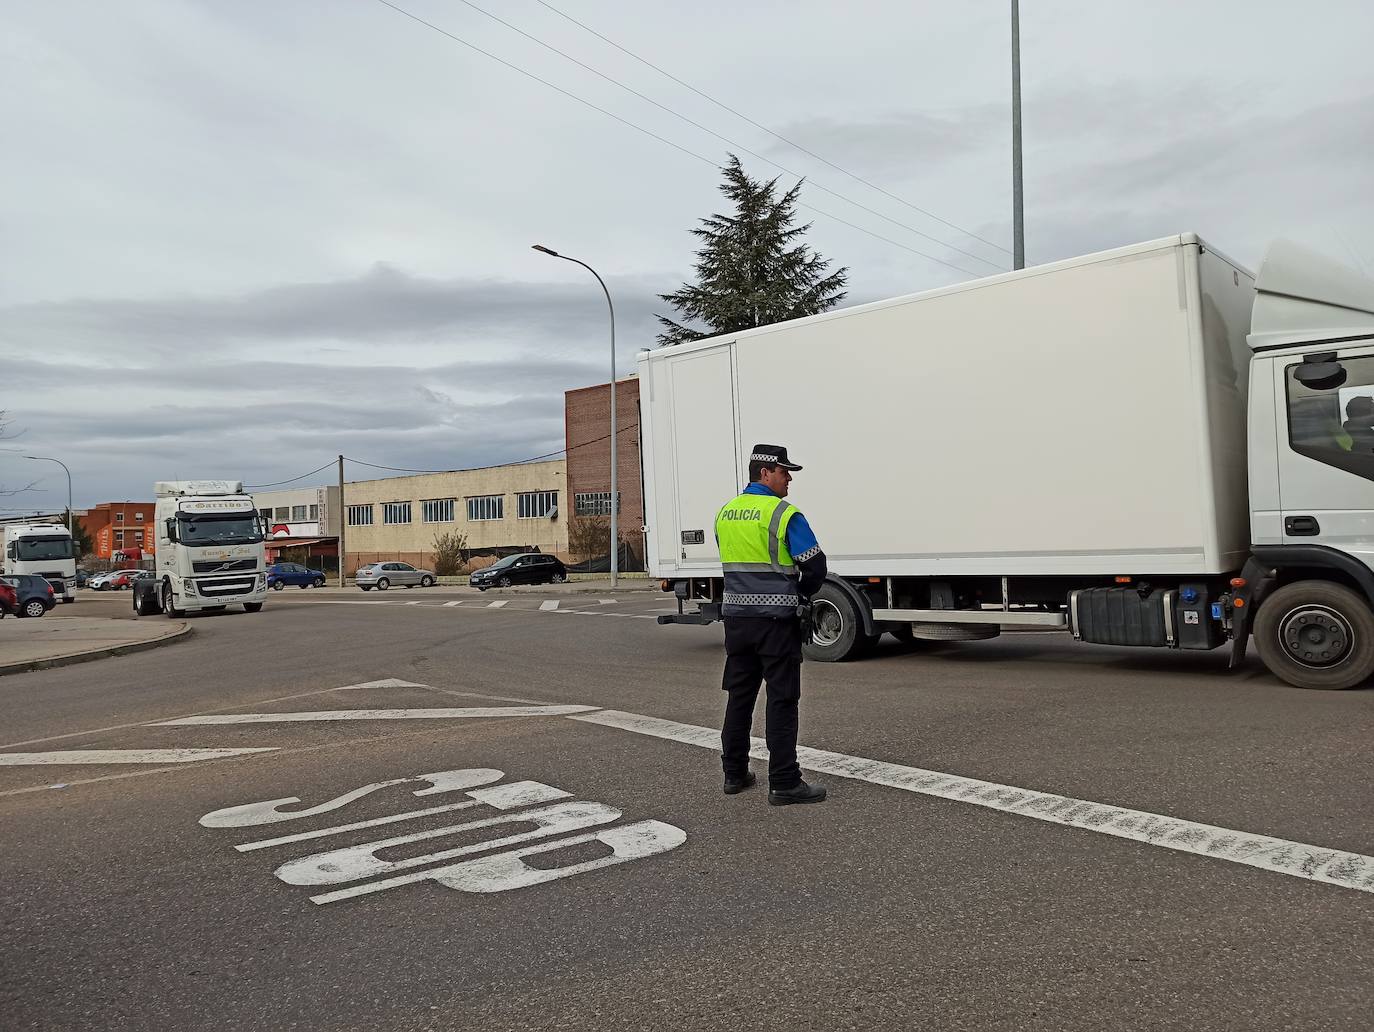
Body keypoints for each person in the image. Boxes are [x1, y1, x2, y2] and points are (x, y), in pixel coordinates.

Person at [714, 444, 829, 805]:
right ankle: (783, 782)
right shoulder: (783, 514)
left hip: (736, 620)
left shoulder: (725, 513)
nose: (789, 478)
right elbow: (815, 566)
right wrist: (801, 596)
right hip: (776, 623)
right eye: (783, 471)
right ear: (765, 473)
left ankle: (734, 774)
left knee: (740, 697)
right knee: (782, 700)